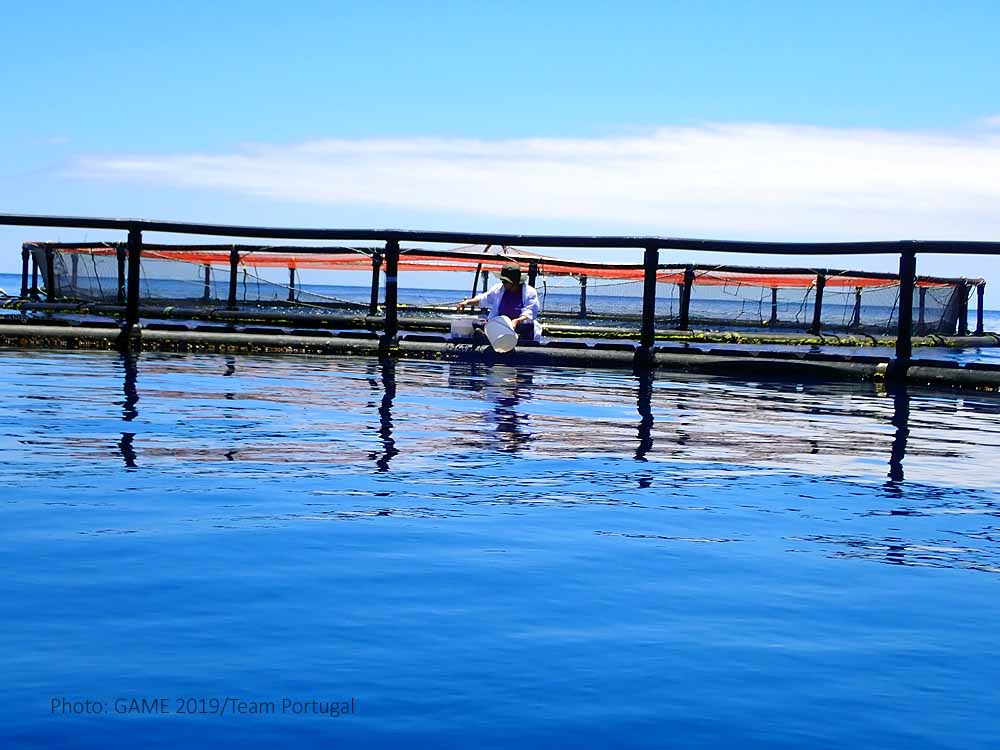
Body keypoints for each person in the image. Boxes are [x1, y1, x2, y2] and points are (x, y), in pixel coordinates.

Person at [456, 264, 542, 341]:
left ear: (514, 282)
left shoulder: (529, 292)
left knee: (528, 324)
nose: (503, 283)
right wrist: (467, 302)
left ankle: (520, 341)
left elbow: (530, 312)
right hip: (500, 325)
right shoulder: (499, 289)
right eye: (502, 281)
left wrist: (516, 321)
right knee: (476, 323)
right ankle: (486, 337)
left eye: (505, 281)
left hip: (517, 326)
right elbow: (483, 299)